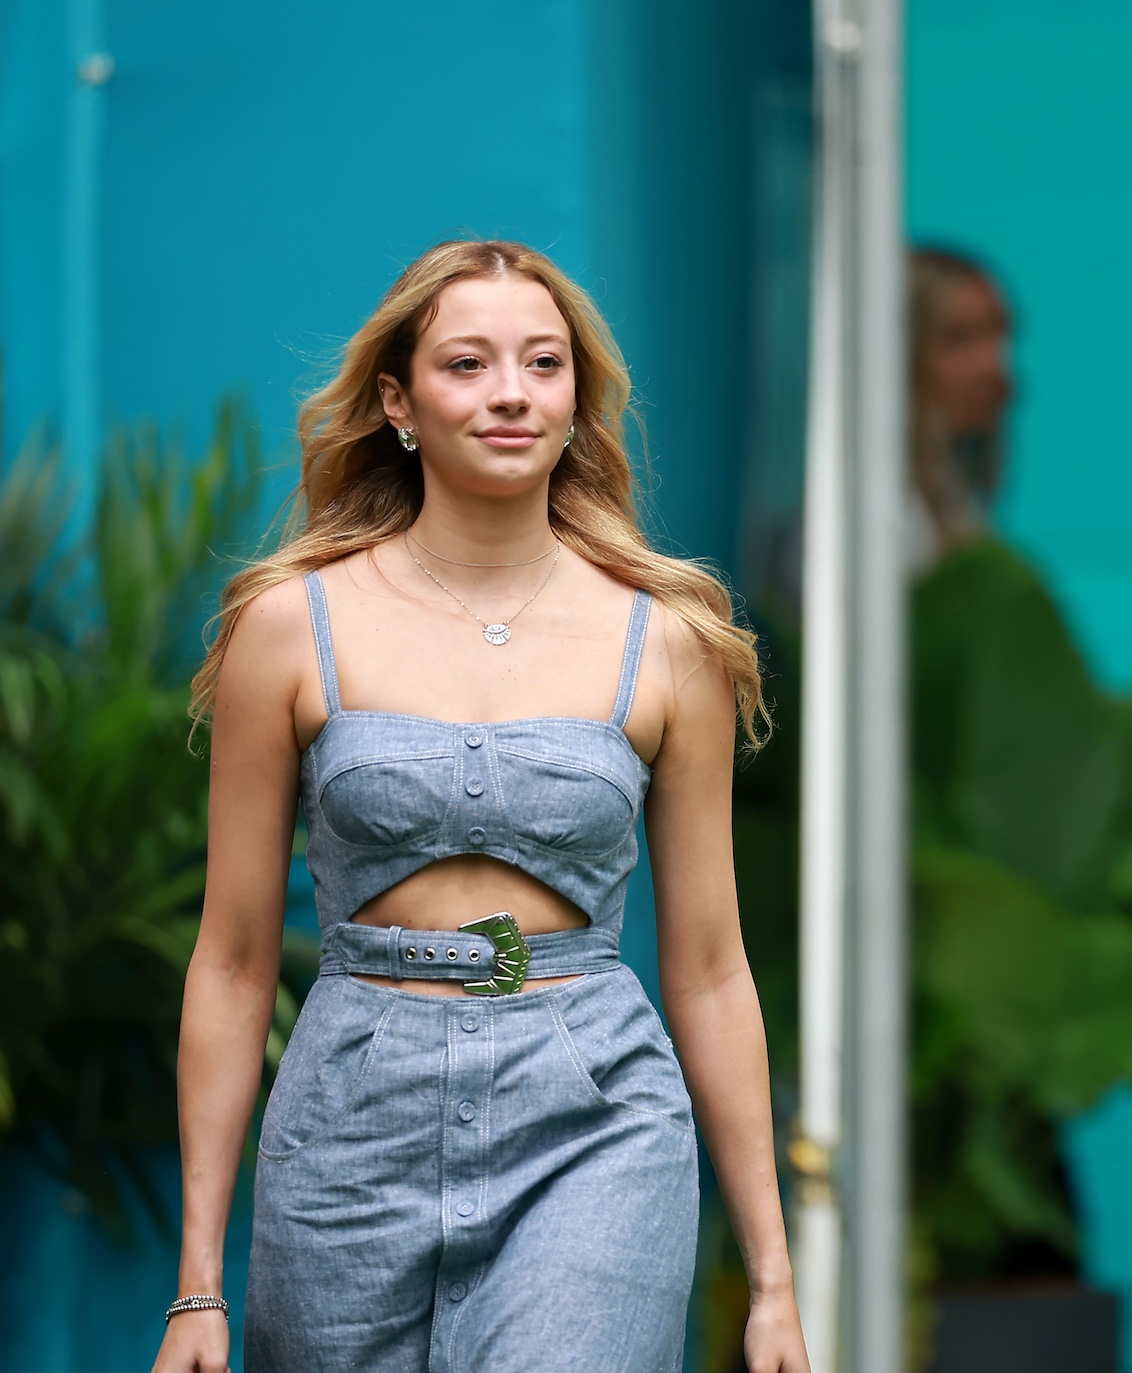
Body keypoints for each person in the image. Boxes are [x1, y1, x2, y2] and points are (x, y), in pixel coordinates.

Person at [153, 241, 810, 1373]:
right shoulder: (288, 625)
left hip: (592, 1109)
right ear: (400, 403)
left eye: (543, 364)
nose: (511, 391)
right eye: (468, 363)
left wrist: (773, 1281)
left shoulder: (670, 641)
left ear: (575, 402)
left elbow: (709, 968)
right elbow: (231, 958)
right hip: (350, 1117)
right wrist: (198, 1289)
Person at [907, 247, 1012, 569]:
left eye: (998, 336)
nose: (992, 367)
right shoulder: (873, 518)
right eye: (958, 338)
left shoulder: (951, 505)